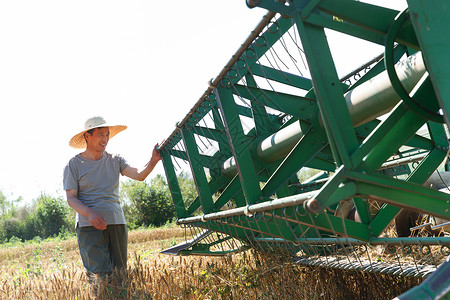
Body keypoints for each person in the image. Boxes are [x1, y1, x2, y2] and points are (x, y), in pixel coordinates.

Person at [63, 116, 161, 283]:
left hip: (116, 222)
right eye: (101, 134)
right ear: (88, 136)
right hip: (89, 226)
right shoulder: (73, 164)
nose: (105, 139)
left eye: (107, 135)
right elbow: (71, 199)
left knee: (120, 275)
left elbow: (139, 175)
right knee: (99, 278)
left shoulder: (115, 159)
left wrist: (153, 161)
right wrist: (90, 213)